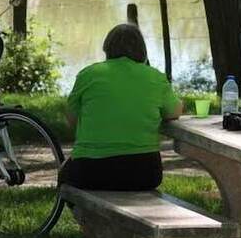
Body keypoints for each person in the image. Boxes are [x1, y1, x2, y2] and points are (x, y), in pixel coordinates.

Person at [60, 24, 183, 191]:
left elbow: (71, 117)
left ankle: (82, 217)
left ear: (107, 48)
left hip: (91, 170)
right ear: (142, 51)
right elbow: (173, 112)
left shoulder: (88, 74)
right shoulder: (155, 76)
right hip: (144, 172)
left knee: (64, 175)